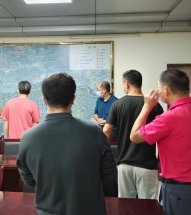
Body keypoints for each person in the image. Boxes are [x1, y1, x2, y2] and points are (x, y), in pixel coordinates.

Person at [16, 73, 116, 215]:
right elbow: (109, 173)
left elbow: (29, 180)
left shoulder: (28, 137)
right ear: (73, 99)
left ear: (44, 100)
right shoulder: (94, 132)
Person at [130, 69, 191, 215]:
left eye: (159, 88)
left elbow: (134, 136)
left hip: (178, 190)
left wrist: (147, 106)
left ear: (165, 90)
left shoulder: (168, 118)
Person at [103, 70, 163, 199]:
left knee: (125, 206)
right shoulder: (155, 105)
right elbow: (162, 136)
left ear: (127, 85)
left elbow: (107, 130)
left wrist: (105, 152)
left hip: (124, 164)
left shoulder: (117, 104)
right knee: (148, 208)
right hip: (147, 165)